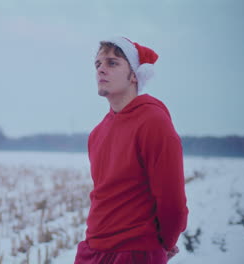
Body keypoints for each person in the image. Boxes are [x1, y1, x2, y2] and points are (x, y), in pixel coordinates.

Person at [74, 36, 189, 264]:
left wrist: (165, 243)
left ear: (135, 75)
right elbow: (102, 196)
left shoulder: (153, 122)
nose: (101, 70)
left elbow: (172, 200)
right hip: (93, 250)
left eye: (112, 63)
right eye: (98, 64)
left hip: (134, 252)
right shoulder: (97, 133)